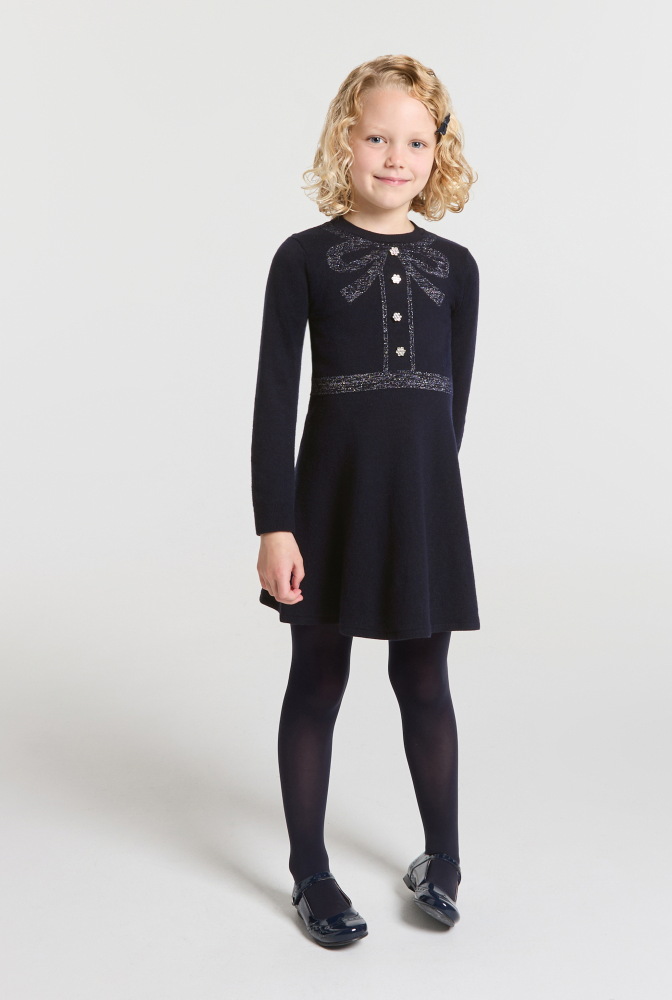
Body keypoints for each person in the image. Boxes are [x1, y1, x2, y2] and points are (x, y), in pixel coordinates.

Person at [250, 54, 480, 947]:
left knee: (425, 681)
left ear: (438, 152)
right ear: (345, 140)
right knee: (318, 678)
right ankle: (310, 871)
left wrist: (426, 505)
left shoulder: (457, 268)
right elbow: (274, 399)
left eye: (416, 142)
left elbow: (452, 409)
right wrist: (276, 524)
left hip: (423, 508)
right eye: (378, 137)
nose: (396, 157)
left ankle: (444, 859)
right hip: (328, 506)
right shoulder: (302, 258)